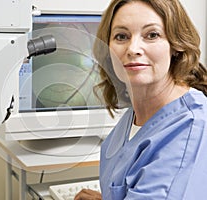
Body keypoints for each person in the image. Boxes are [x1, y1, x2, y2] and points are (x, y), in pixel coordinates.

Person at [74, 0, 207, 199]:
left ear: (175, 45)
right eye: (121, 36)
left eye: (152, 35)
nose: (133, 48)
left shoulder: (188, 129)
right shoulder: (135, 117)